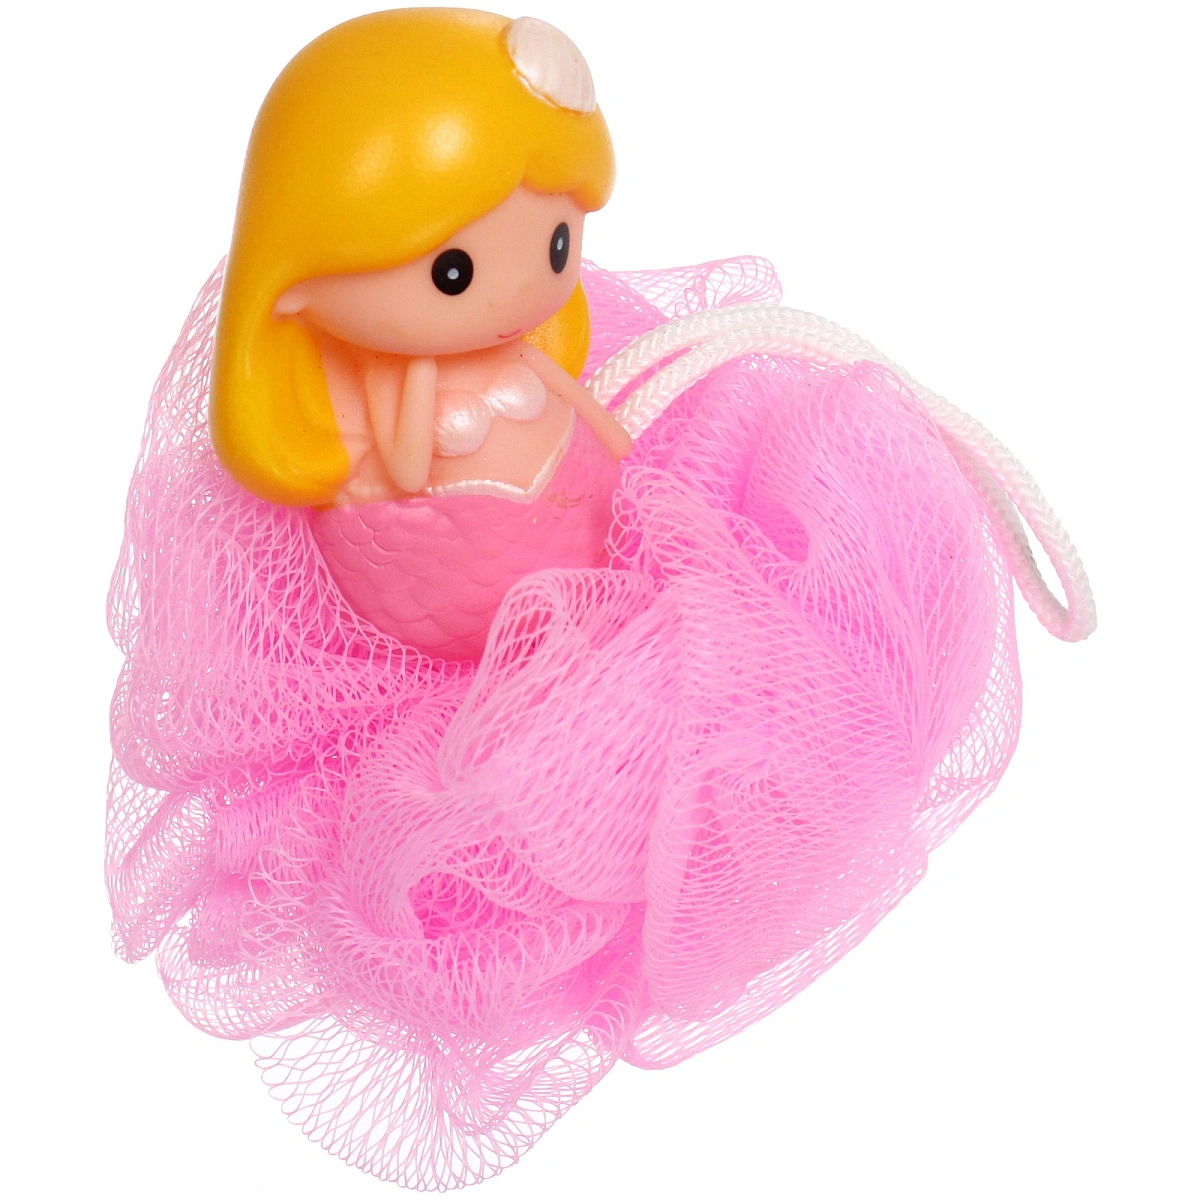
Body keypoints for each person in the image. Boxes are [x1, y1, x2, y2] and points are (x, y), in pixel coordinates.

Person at [108, 9, 1088, 1189]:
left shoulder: (532, 357)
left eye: (559, 244)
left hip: (577, 560)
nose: (522, 291)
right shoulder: (366, 421)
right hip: (445, 617)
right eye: (456, 272)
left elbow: (602, 429)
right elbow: (402, 488)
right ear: (300, 276)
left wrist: (619, 461)